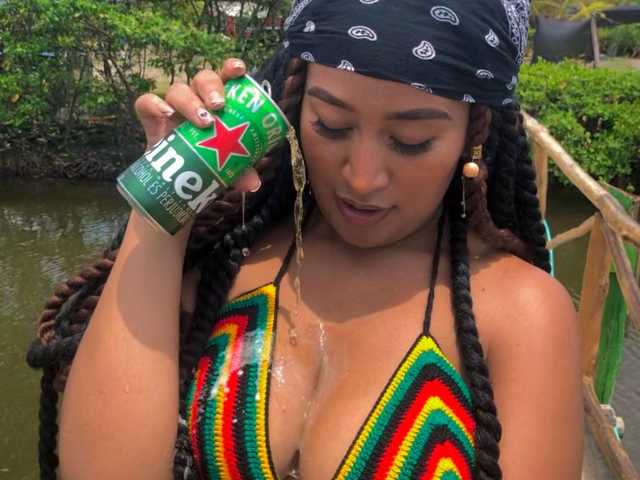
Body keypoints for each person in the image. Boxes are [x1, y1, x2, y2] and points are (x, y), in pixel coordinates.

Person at [28, 1, 584, 479]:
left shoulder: (520, 314)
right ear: (296, 103)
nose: (362, 177)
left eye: (412, 140)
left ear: (474, 132)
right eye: (331, 125)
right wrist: (165, 204)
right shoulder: (226, 259)